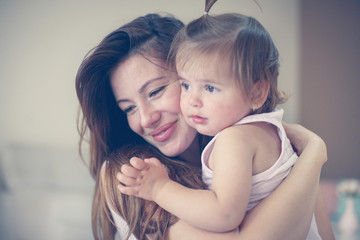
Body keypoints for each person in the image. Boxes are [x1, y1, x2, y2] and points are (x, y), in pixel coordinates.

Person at [75, 10, 333, 240]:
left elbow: (323, 234)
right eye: (128, 108)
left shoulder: (253, 143)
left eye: (155, 91)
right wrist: (314, 151)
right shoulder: (131, 174)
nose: (145, 119)